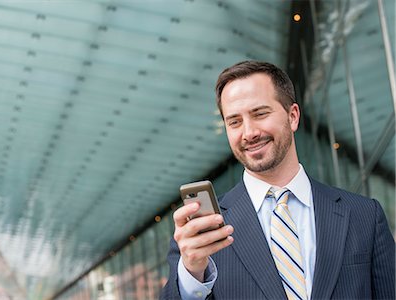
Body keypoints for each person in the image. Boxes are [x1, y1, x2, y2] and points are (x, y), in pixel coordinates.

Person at [160, 61, 395, 299]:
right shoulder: (202, 233)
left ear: (293, 116)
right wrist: (191, 274)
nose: (249, 132)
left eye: (260, 114)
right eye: (235, 122)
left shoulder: (365, 216)